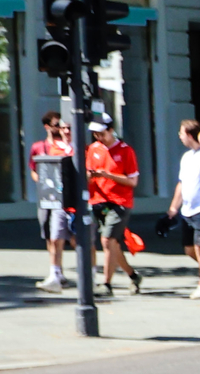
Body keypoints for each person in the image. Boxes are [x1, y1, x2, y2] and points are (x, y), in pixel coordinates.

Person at [165, 119, 200, 298]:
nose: (180, 136)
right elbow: (181, 184)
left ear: (190, 135)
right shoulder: (187, 157)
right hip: (188, 210)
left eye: (182, 132)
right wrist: (174, 208)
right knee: (190, 250)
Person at [86, 115, 142, 296]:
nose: (98, 137)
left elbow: (133, 181)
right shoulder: (93, 149)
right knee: (113, 245)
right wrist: (89, 177)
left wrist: (109, 175)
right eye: (95, 134)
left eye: (101, 133)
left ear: (111, 130)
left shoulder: (126, 151)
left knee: (107, 240)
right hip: (98, 201)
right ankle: (133, 276)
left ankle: (106, 284)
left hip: (120, 202)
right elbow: (87, 173)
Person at [29, 112, 77, 291]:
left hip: (65, 197)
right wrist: (42, 183)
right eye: (57, 125)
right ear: (47, 126)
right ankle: (57, 272)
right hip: (46, 196)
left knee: (71, 237)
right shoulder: (39, 147)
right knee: (50, 234)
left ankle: (61, 272)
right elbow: (34, 169)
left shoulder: (64, 146)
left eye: (62, 125)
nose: (60, 129)